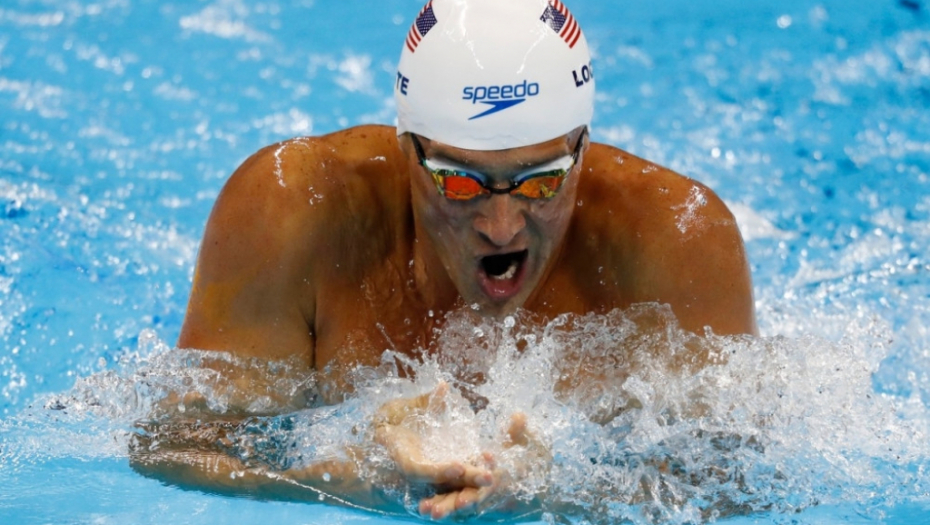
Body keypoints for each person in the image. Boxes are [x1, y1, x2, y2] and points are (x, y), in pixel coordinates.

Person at [131, 0, 757, 520]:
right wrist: (342, 479)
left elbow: (743, 484)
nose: (501, 226)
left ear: (581, 149)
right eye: (459, 182)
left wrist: (557, 496)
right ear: (408, 148)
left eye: (541, 181)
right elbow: (167, 443)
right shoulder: (293, 211)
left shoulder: (677, 241)